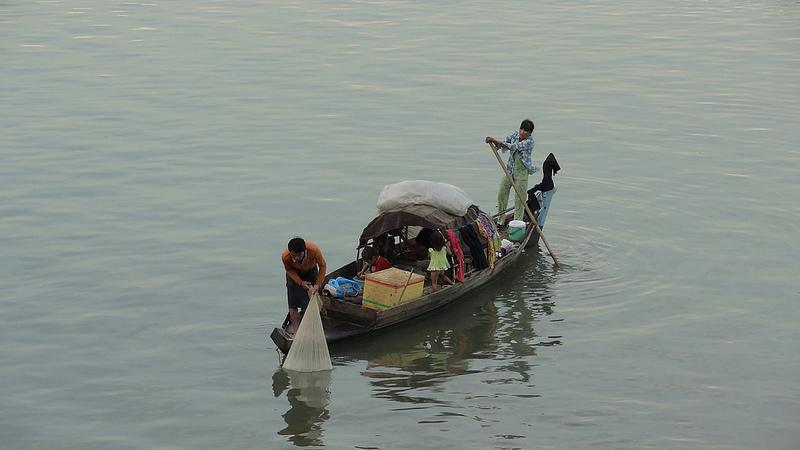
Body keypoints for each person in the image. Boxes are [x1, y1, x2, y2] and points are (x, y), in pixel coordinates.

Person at [485, 119, 537, 227]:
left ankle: (517, 223)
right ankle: (500, 220)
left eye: (526, 131)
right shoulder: (514, 135)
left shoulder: (529, 142)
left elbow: (514, 147)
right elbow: (505, 142)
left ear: (530, 133)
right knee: (502, 194)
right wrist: (495, 143)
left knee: (520, 198)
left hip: (521, 173)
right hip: (509, 170)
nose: (522, 132)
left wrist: (497, 141)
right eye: (521, 129)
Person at [281, 237, 327, 335]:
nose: (296, 258)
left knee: (309, 301)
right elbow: (289, 270)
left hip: (311, 270)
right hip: (294, 273)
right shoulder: (285, 256)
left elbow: (322, 266)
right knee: (293, 303)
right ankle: (296, 331)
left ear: (304, 251)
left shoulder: (314, 250)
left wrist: (317, 285)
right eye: (294, 255)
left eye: (299, 255)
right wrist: (300, 282)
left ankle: (310, 328)